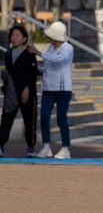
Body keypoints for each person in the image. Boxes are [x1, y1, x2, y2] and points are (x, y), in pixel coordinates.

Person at [28, 21, 74, 159]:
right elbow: (49, 65)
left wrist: (38, 53)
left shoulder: (68, 48)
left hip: (63, 89)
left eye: (51, 35)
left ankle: (65, 149)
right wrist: (41, 71)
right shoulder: (50, 48)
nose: (48, 37)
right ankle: (46, 148)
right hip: (48, 88)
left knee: (61, 118)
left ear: (56, 36)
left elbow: (59, 59)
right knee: (44, 117)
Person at [0, 25, 38, 158]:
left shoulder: (30, 52)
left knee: (29, 121)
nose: (14, 38)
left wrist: (27, 89)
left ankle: (31, 148)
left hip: (28, 94)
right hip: (12, 94)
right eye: (12, 35)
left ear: (24, 38)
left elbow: (33, 74)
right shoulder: (8, 53)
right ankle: (1, 145)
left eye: (17, 35)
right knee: (6, 120)